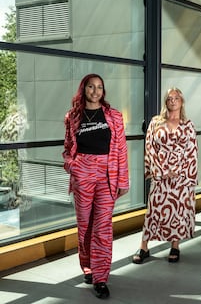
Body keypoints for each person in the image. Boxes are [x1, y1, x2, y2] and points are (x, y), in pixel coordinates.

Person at [62, 73, 129, 299]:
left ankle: (101, 277)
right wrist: (72, 166)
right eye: (91, 87)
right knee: (85, 226)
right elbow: (68, 146)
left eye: (99, 87)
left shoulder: (114, 116)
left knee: (102, 227)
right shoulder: (72, 116)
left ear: (103, 91)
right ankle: (88, 267)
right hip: (83, 173)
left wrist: (123, 180)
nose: (95, 91)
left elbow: (121, 150)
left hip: (107, 175)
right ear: (84, 89)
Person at [132, 87, 198, 264]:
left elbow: (192, 151)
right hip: (160, 175)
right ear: (165, 101)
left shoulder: (188, 124)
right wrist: (161, 171)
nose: (173, 101)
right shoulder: (155, 122)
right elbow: (149, 147)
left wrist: (179, 171)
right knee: (153, 210)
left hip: (181, 177)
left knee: (177, 211)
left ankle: (175, 246)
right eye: (169, 98)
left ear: (182, 101)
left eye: (176, 98)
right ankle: (144, 247)